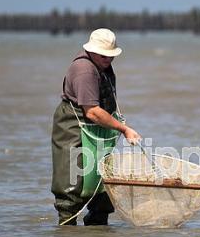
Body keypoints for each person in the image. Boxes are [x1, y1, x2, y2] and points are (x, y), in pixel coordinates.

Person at [51, 28, 141, 226]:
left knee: (102, 187)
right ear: (91, 51)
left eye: (111, 56)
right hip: (74, 128)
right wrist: (124, 129)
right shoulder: (84, 69)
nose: (108, 59)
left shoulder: (102, 66)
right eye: (103, 55)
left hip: (97, 129)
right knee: (72, 187)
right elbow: (91, 111)